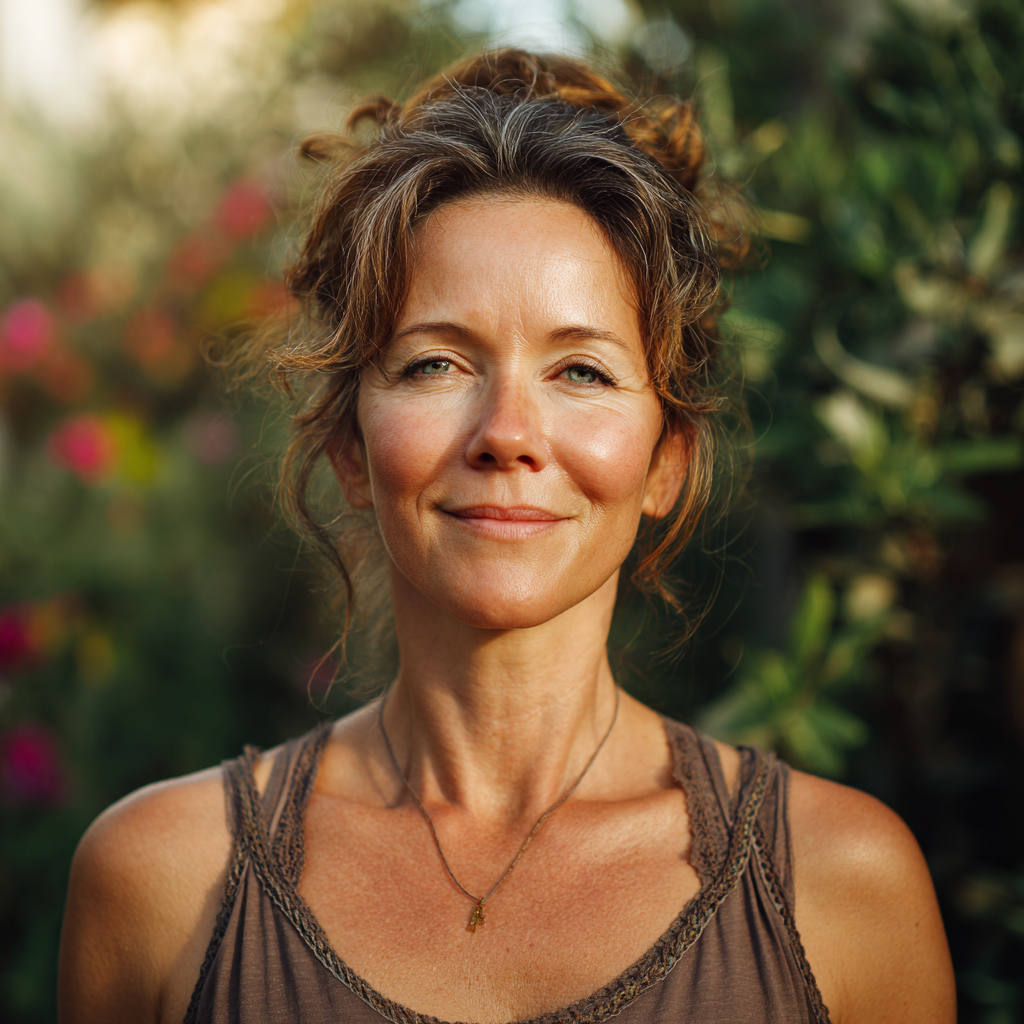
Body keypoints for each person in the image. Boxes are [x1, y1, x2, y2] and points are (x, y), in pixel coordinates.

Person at [57, 49, 955, 1024]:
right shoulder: (160, 882)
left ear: (666, 461)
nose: (508, 436)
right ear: (351, 449)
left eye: (580, 372)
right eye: (438, 362)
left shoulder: (842, 890)